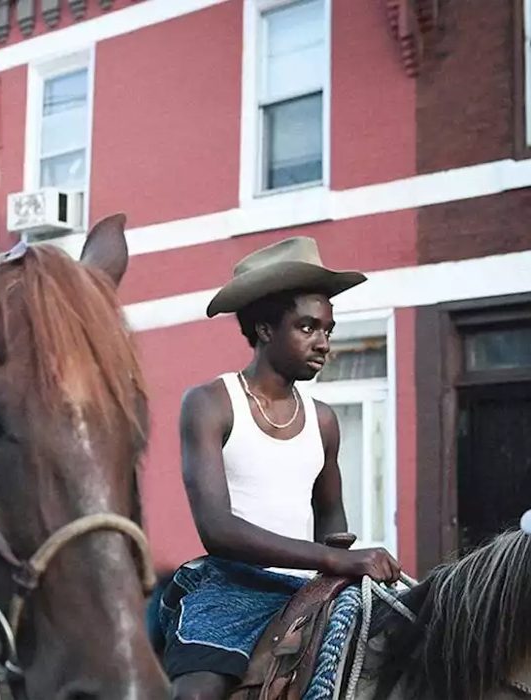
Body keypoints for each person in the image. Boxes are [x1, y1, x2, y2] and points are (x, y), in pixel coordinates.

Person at [159, 237, 403, 700]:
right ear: (267, 328)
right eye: (308, 327)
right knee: (196, 693)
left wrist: (338, 569)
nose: (324, 343)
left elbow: (331, 516)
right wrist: (334, 559)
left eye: (328, 329)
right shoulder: (211, 403)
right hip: (231, 588)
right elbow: (217, 530)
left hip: (308, 592)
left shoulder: (324, 420)